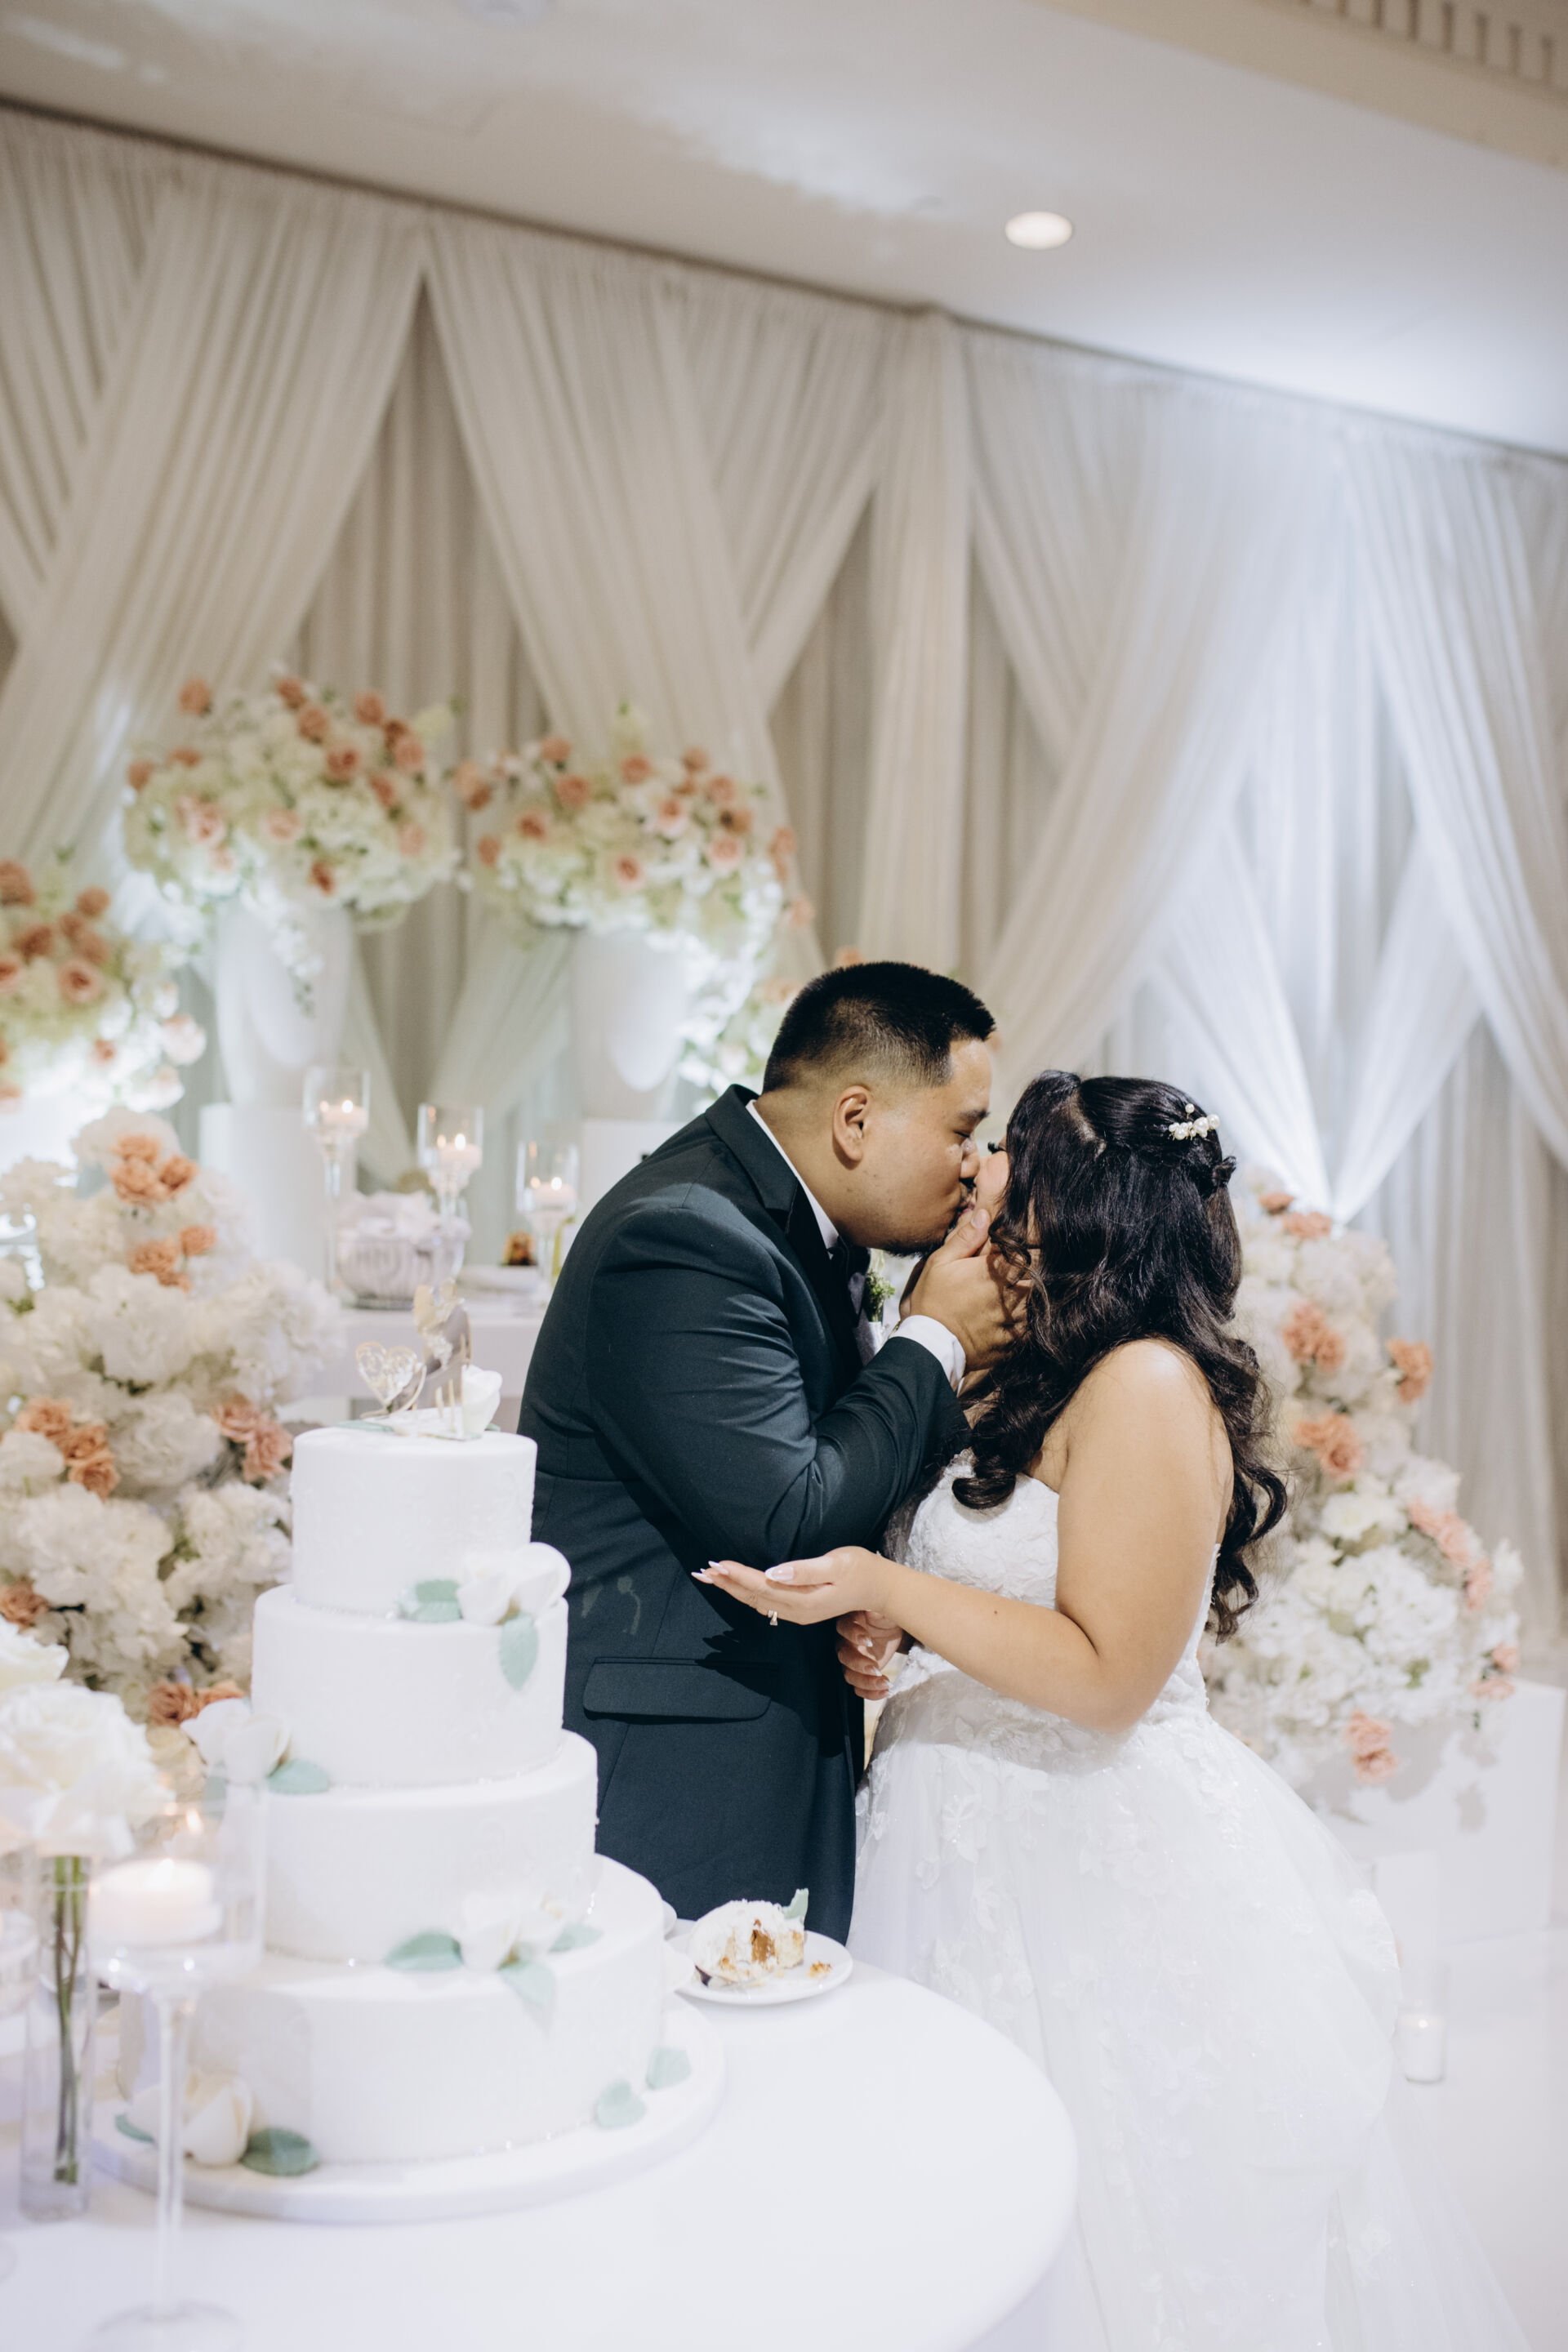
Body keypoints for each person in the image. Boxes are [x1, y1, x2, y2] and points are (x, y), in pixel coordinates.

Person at [701, 1071, 1529, 2352]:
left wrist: (890, 1588)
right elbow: (1002, 1596)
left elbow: (1106, 1678)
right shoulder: (1039, 1370)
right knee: (951, 2203)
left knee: (1112, 2226)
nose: (983, 1177)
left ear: (1083, 1215)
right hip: (960, 1840)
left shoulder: (1145, 1382)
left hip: (1080, 1859)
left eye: (1011, 1162)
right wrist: (899, 1643)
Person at [519, 961, 1017, 1937]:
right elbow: (785, 1519)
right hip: (673, 1772)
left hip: (768, 1730)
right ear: (855, 1119)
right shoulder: (683, 1238)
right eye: (961, 1131)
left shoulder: (777, 1216)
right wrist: (934, 1338)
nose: (972, 1163)